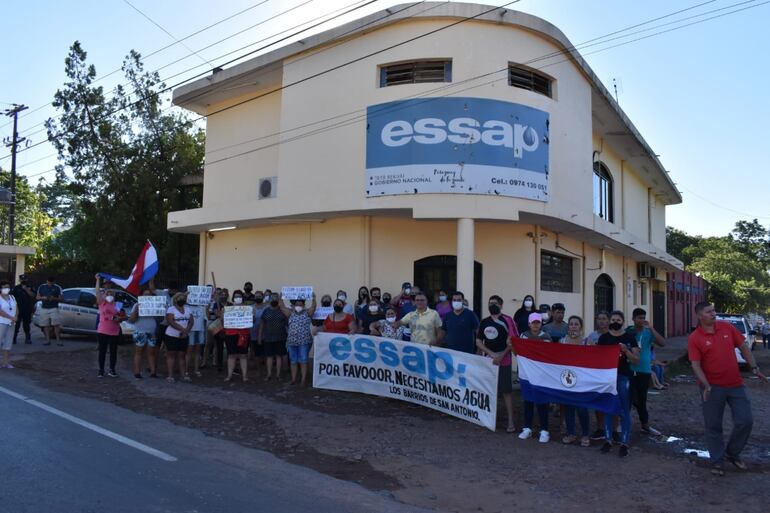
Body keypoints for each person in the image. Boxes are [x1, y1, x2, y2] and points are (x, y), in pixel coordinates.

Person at [688, 302, 768, 476]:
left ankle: (732, 453)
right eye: (709, 312)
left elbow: (743, 347)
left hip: (735, 385)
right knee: (713, 426)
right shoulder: (695, 337)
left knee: (745, 420)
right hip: (711, 388)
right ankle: (717, 461)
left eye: (713, 311)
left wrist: (754, 368)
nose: (713, 314)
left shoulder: (727, 328)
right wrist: (706, 385)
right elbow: (695, 365)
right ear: (700, 316)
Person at [598, 310, 640, 458]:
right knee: (608, 409)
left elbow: (636, 359)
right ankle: (608, 440)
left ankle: (624, 443)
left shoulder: (630, 338)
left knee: (624, 410)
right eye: (613, 319)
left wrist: (626, 350)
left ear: (623, 321)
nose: (615, 322)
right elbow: (597, 357)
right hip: (608, 379)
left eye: (618, 320)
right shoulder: (604, 338)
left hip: (624, 377)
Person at [476, 297, 515, 433]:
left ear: (501, 305)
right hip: (489, 360)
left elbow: (512, 341)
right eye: (490, 303)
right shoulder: (484, 322)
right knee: (488, 390)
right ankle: (489, 418)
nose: (492, 305)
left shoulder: (508, 320)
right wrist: (491, 354)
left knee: (506, 391)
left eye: (495, 303)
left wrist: (501, 355)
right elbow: (479, 341)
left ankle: (510, 420)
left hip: (504, 360)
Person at [627, 308, 666, 436]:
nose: (642, 320)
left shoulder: (648, 333)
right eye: (639, 318)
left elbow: (662, 343)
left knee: (642, 398)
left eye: (644, 318)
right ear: (633, 319)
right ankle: (624, 423)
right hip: (629, 369)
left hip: (644, 369)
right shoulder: (628, 331)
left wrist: (652, 328)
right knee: (628, 397)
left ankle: (645, 425)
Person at [518, 312, 552, 443]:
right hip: (527, 374)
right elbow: (519, 352)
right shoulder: (523, 336)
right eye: (533, 322)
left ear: (541, 323)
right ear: (529, 324)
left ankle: (544, 430)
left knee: (542, 402)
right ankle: (527, 428)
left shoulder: (546, 336)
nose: (536, 325)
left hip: (542, 375)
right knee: (528, 401)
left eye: (538, 322)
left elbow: (547, 354)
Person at [560, 315, 591, 446]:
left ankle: (585, 435)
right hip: (568, 378)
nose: (573, 326)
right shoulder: (562, 341)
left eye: (576, 324)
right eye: (571, 324)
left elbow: (592, 359)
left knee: (582, 408)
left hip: (582, 379)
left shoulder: (587, 341)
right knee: (569, 407)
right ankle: (571, 433)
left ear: (581, 327)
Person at [278, 292, 316, 386]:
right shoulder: (290, 313)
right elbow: (282, 307)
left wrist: (314, 298)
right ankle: (293, 379)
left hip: (304, 341)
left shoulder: (307, 313)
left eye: (300, 304)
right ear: (294, 305)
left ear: (303, 305)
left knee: (303, 360)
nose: (298, 305)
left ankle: (303, 380)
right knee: (293, 361)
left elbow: (313, 307)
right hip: (292, 342)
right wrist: (280, 298)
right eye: (297, 304)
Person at [94, 275, 125, 378]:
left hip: (114, 330)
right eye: (107, 292)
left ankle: (112, 369)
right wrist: (97, 280)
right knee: (102, 351)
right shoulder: (102, 302)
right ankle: (101, 370)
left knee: (113, 351)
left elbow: (121, 315)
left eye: (111, 292)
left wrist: (121, 318)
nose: (109, 294)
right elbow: (97, 291)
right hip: (103, 330)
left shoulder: (117, 305)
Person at [587, 311, 611, 440]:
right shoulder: (592, 336)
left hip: (610, 372)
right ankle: (600, 428)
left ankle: (613, 429)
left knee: (611, 400)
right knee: (598, 401)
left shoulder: (613, 335)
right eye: (599, 319)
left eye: (604, 318)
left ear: (608, 321)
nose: (602, 321)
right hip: (596, 373)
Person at [128, 285, 161, 378]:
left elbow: (160, 319)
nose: (148, 296)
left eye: (149, 295)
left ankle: (153, 372)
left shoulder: (154, 305)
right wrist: (136, 311)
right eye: (146, 294)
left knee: (151, 352)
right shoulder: (136, 305)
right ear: (141, 296)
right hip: (140, 331)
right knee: (139, 352)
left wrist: (160, 310)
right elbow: (131, 320)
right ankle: (137, 372)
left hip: (151, 331)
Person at [223, 290, 250, 382]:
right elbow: (223, 322)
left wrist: (252, 317)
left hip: (243, 334)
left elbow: (251, 321)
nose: (238, 298)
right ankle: (229, 375)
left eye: (239, 296)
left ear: (242, 298)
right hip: (230, 334)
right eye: (236, 296)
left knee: (243, 356)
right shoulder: (228, 308)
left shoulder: (248, 308)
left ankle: (245, 376)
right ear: (233, 298)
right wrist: (222, 315)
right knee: (231, 355)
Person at [164, 292, 193, 383]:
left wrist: (186, 331)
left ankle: (183, 375)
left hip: (184, 336)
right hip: (172, 335)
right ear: (175, 299)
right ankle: (170, 376)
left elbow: (191, 321)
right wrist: (182, 330)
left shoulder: (188, 309)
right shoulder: (171, 309)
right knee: (171, 354)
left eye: (183, 298)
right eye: (180, 298)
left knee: (182, 355)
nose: (182, 300)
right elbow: (171, 321)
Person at [259, 292, 288, 381]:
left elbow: (288, 323)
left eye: (276, 298)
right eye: (272, 298)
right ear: (269, 300)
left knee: (279, 356)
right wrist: (259, 336)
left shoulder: (283, 311)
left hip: (281, 337)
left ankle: (278, 375)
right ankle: (269, 374)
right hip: (268, 337)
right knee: (269, 356)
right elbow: (262, 324)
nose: (274, 300)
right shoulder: (266, 311)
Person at [36, 276, 63, 346]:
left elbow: (61, 298)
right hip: (44, 307)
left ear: (54, 282)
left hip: (54, 307)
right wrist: (43, 297)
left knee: (56, 324)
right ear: (46, 281)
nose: (50, 284)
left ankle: (58, 341)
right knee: (45, 325)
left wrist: (54, 298)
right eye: (48, 283)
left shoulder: (57, 287)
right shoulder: (41, 287)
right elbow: (37, 297)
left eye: (51, 283)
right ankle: (47, 340)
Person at [186, 297, 207, 378]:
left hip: (200, 331)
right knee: (189, 351)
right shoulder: (186, 307)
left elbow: (206, 318)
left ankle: (196, 370)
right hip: (190, 331)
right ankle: (186, 370)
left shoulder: (202, 307)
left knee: (198, 351)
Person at [0, 281, 18, 368]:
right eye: (4, 287)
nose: (7, 289)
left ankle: (5, 362)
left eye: (8, 287)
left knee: (8, 343)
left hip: (11, 323)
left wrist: (15, 317)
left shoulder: (12, 297)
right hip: (1, 322)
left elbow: (16, 308)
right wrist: (11, 317)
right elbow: (0, 311)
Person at [11, 274, 34, 344]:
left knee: (26, 325)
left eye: (24, 279)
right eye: (22, 279)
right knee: (16, 324)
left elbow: (33, 295)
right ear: (19, 280)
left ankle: (28, 338)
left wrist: (26, 289)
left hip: (27, 309)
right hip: (18, 309)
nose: (23, 281)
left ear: (27, 279)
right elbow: (11, 296)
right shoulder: (16, 288)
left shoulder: (30, 287)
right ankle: (14, 338)